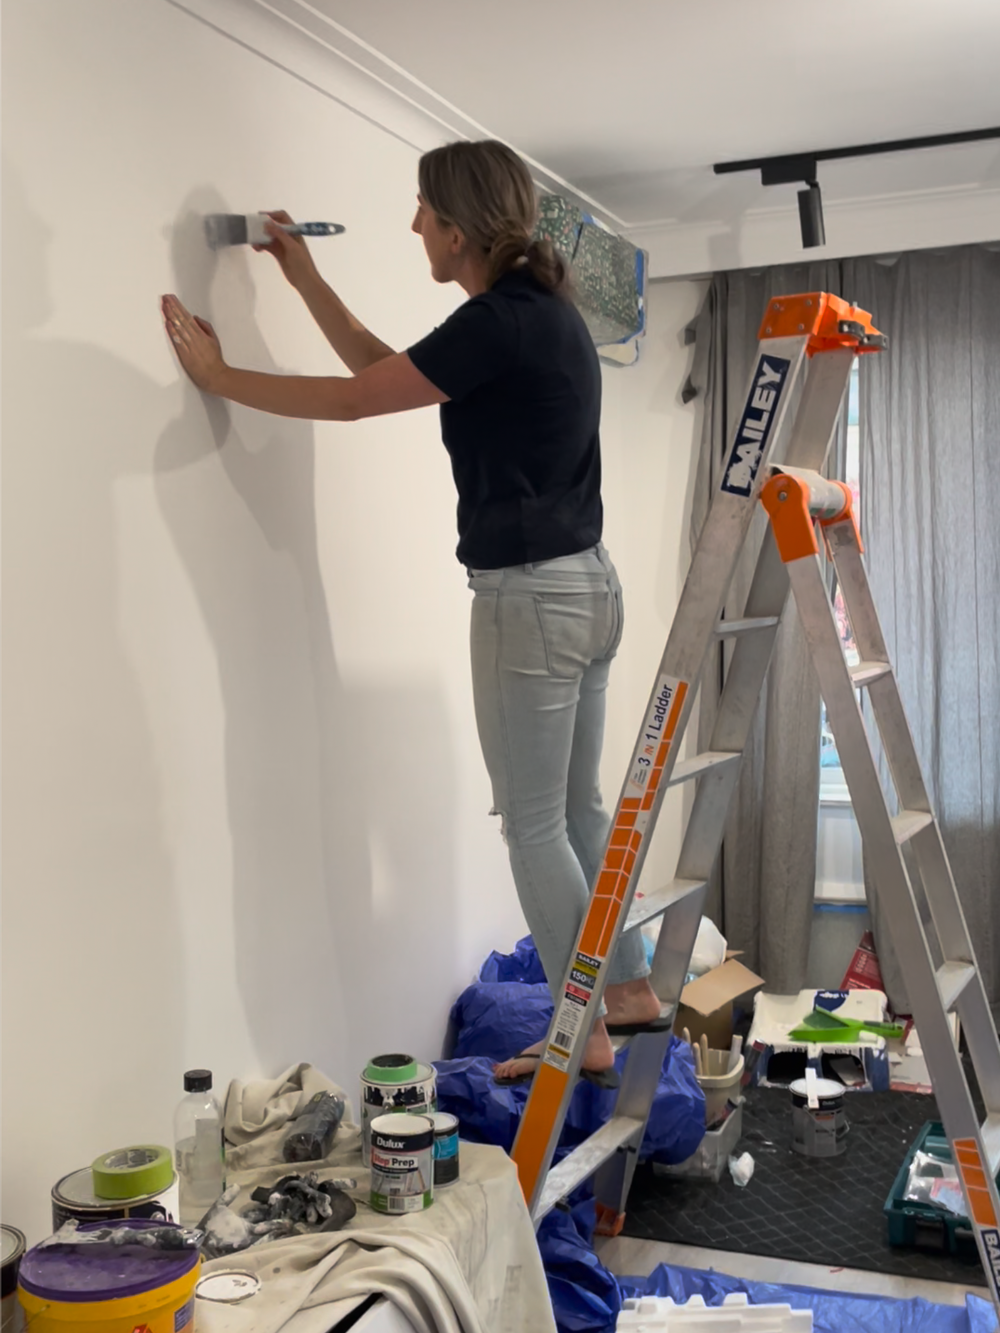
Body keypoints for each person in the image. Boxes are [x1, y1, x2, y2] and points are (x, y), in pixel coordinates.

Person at [161, 139, 664, 1085]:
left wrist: (222, 381)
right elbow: (388, 373)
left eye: (422, 210)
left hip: (534, 599)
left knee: (531, 824)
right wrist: (304, 278)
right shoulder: (535, 315)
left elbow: (356, 401)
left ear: (458, 228)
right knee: (577, 807)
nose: (412, 226)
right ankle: (626, 987)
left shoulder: (501, 323)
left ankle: (582, 1027)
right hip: (590, 586)